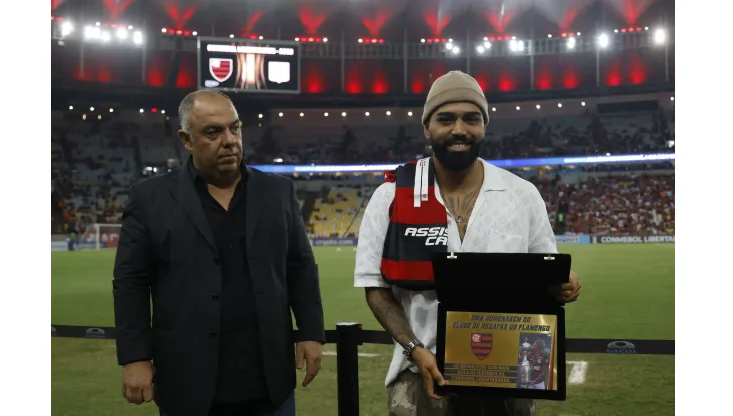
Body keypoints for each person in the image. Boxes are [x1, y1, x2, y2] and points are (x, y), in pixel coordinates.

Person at [353, 71, 581, 416]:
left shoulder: (522, 195)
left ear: (484, 126)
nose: (459, 129)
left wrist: (563, 286)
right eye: (446, 119)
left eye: (471, 118)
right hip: (420, 372)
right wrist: (415, 349)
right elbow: (375, 287)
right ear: (427, 128)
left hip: (507, 376)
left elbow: (543, 277)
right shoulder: (391, 195)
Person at [113, 90, 325, 416]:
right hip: (187, 384)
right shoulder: (149, 198)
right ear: (186, 139)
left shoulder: (278, 192)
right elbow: (130, 282)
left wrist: (310, 332)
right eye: (213, 132)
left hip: (269, 384)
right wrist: (135, 358)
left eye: (235, 128)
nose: (229, 140)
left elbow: (300, 266)